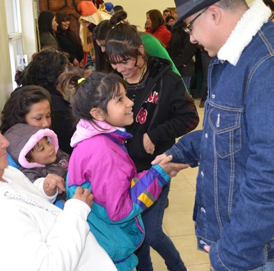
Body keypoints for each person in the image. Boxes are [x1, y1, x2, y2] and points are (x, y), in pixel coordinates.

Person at [156, 0, 274, 271]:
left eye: (189, 27)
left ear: (213, 13)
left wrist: (231, 255)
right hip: (244, 240)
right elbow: (233, 130)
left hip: (259, 249)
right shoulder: (234, 56)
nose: (191, 38)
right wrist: (183, 151)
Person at [0, 99, 116, 271]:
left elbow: (22, 203)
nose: (6, 142)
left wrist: (44, 191)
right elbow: (46, 267)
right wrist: (76, 212)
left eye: (0, 133)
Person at [66, 73, 189, 271]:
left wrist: (155, 173)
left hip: (99, 244)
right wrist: (157, 176)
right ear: (97, 113)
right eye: (120, 99)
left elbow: (119, 185)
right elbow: (120, 209)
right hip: (109, 253)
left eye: (126, 96)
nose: (130, 103)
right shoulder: (104, 152)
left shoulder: (92, 140)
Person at [105, 12, 199, 271]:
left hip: (156, 166)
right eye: (114, 63)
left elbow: (190, 118)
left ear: (139, 50)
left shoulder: (166, 79)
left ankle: (178, 267)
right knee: (136, 234)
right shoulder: (114, 83)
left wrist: (154, 134)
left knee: (152, 232)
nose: (120, 69)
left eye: (125, 61)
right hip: (123, 168)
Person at [17, 49, 75, 154]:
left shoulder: (27, 95)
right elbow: (70, 145)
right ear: (56, 77)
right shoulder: (57, 107)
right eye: (65, 71)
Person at [4, 124, 69, 202]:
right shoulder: (29, 174)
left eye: (48, 142)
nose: (50, 148)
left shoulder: (58, 154)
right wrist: (47, 189)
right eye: (42, 149)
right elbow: (37, 189)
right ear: (28, 159)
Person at [167, 21, 198, 88]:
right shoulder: (175, 30)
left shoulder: (188, 31)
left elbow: (188, 52)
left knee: (183, 95)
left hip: (184, 69)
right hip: (174, 68)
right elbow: (170, 47)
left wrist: (174, 63)